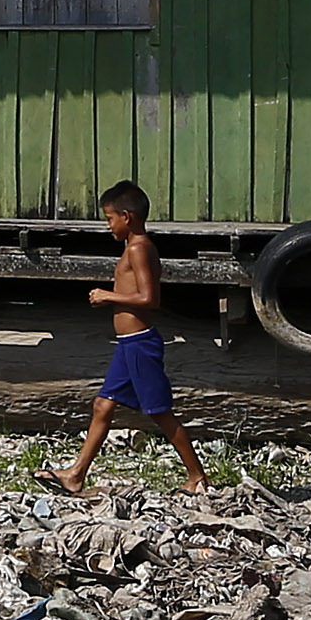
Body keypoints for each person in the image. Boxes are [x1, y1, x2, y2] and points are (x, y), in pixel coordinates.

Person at [53, 179, 207, 493]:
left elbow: (150, 299)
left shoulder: (139, 248)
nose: (108, 226)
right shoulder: (132, 247)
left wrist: (108, 297)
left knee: (160, 412)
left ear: (127, 217)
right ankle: (76, 475)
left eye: (110, 218)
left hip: (140, 344)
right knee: (103, 406)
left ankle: (197, 478)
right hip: (127, 346)